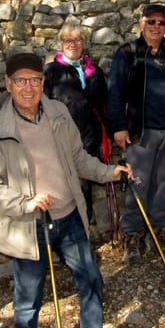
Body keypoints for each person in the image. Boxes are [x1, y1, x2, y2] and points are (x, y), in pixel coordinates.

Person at [0, 52, 132, 328]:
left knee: (91, 281)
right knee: (28, 303)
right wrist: (24, 203)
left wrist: (110, 172)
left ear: (43, 83)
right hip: (28, 225)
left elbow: (78, 159)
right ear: (8, 85)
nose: (28, 87)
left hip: (69, 215)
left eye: (34, 80)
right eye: (20, 81)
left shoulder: (59, 113)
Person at [107, 3, 165, 264]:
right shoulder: (128, 53)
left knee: (162, 186)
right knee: (138, 186)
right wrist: (118, 126)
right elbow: (114, 92)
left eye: (161, 23)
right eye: (151, 22)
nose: (156, 27)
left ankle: (155, 233)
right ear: (142, 24)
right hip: (139, 133)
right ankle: (131, 236)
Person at [44, 18, 111, 240]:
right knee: (61, 189)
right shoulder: (51, 72)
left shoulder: (94, 72)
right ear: (61, 44)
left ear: (84, 43)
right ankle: (61, 239)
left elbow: (103, 105)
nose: (72, 44)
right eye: (67, 40)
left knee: (84, 189)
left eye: (77, 39)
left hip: (88, 140)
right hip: (58, 140)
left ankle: (81, 236)